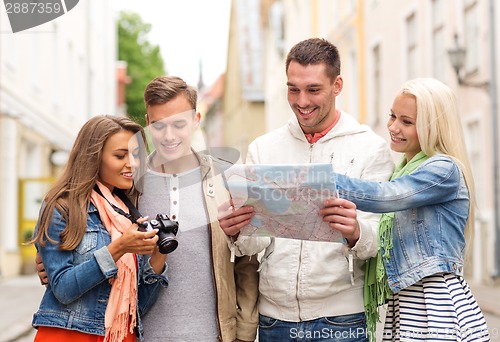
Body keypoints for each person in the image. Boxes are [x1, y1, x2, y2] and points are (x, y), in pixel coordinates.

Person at [219, 38, 394, 341]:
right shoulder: (264, 148)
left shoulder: (370, 148)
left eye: (313, 90)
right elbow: (254, 244)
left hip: (342, 319)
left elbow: (383, 238)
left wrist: (355, 231)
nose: (301, 101)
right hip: (275, 319)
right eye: (293, 89)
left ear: (337, 85)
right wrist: (237, 231)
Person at [321, 78, 490, 341]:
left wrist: (320, 181)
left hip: (435, 302)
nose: (393, 127)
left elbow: (387, 196)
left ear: (432, 127)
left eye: (406, 122)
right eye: (392, 116)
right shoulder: (402, 170)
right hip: (409, 299)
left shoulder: (443, 169)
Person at [137, 75, 259, 342]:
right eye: (158, 126)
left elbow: (246, 263)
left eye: (179, 124)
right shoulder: (130, 185)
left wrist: (245, 332)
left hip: (212, 336)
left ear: (196, 120)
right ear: (147, 124)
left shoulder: (225, 179)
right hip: (141, 336)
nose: (168, 136)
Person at [31, 115, 169, 342]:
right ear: (94, 157)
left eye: (136, 155)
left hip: (122, 335)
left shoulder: (129, 214)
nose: (132, 163)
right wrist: (119, 248)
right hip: (70, 335)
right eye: (120, 155)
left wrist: (159, 255)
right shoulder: (62, 207)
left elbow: (139, 306)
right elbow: (63, 289)